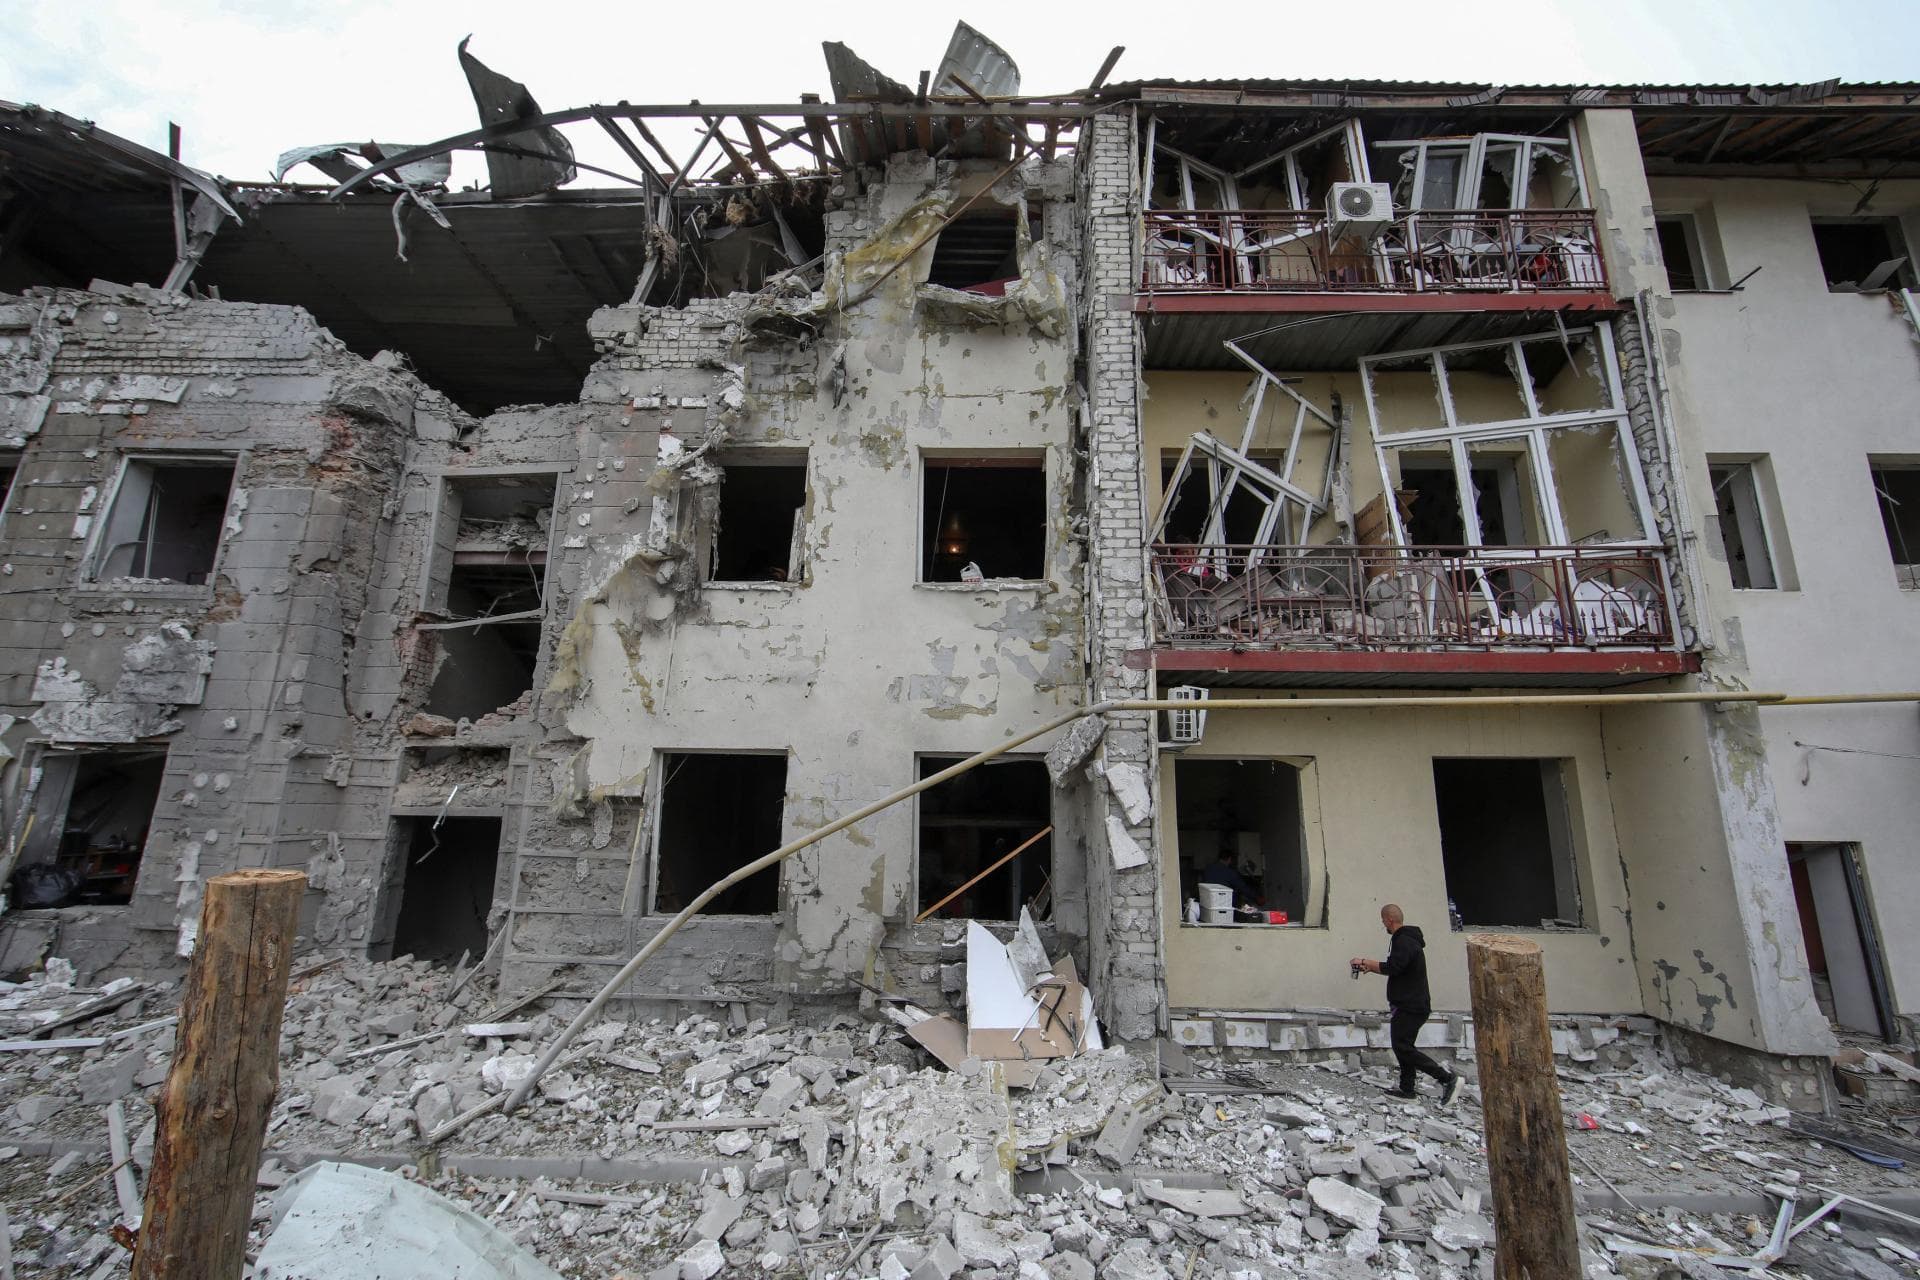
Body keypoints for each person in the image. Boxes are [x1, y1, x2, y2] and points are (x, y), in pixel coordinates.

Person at [1351, 903, 1460, 1104]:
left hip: (1411, 1006)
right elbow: (1398, 968)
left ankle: (1447, 1079)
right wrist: (1372, 967)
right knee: (1403, 1046)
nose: (1382, 923)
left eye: (1383, 919)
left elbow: (1394, 967)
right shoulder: (1406, 940)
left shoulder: (1404, 941)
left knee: (1403, 1047)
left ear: (1389, 920)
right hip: (1410, 1004)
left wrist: (1365, 962)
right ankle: (1407, 1090)